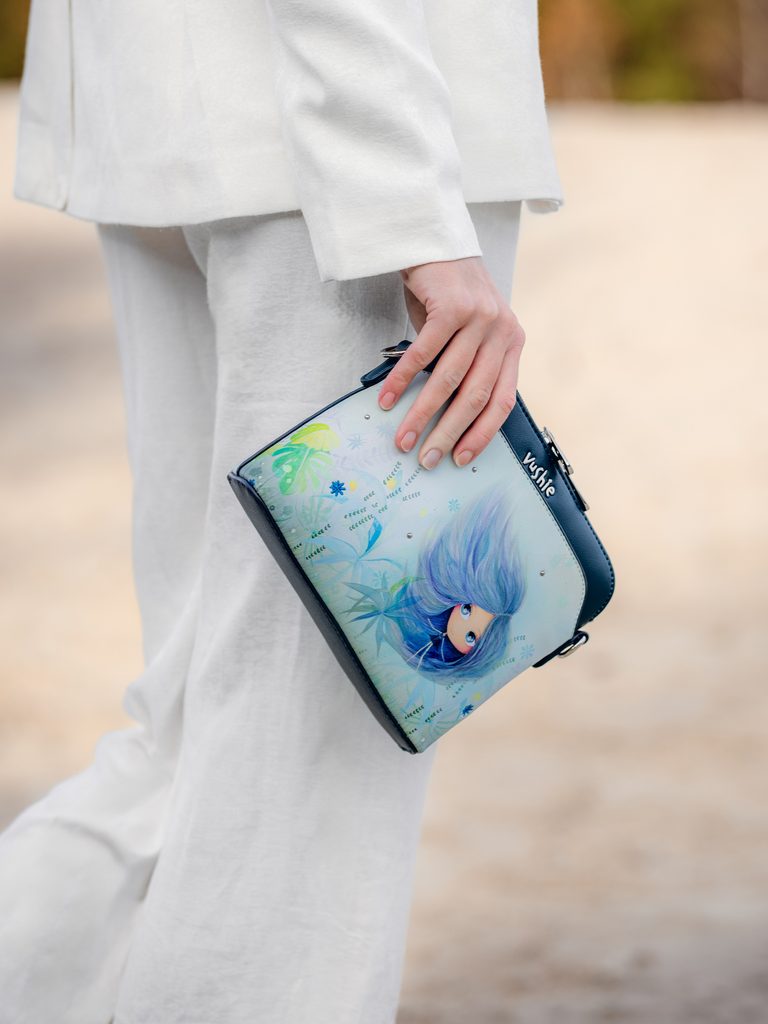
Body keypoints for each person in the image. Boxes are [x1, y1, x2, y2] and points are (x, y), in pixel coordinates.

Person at [0, 1, 565, 1021]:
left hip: (173, 117)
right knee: (310, 768)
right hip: (346, 148)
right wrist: (409, 209)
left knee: (187, 739)